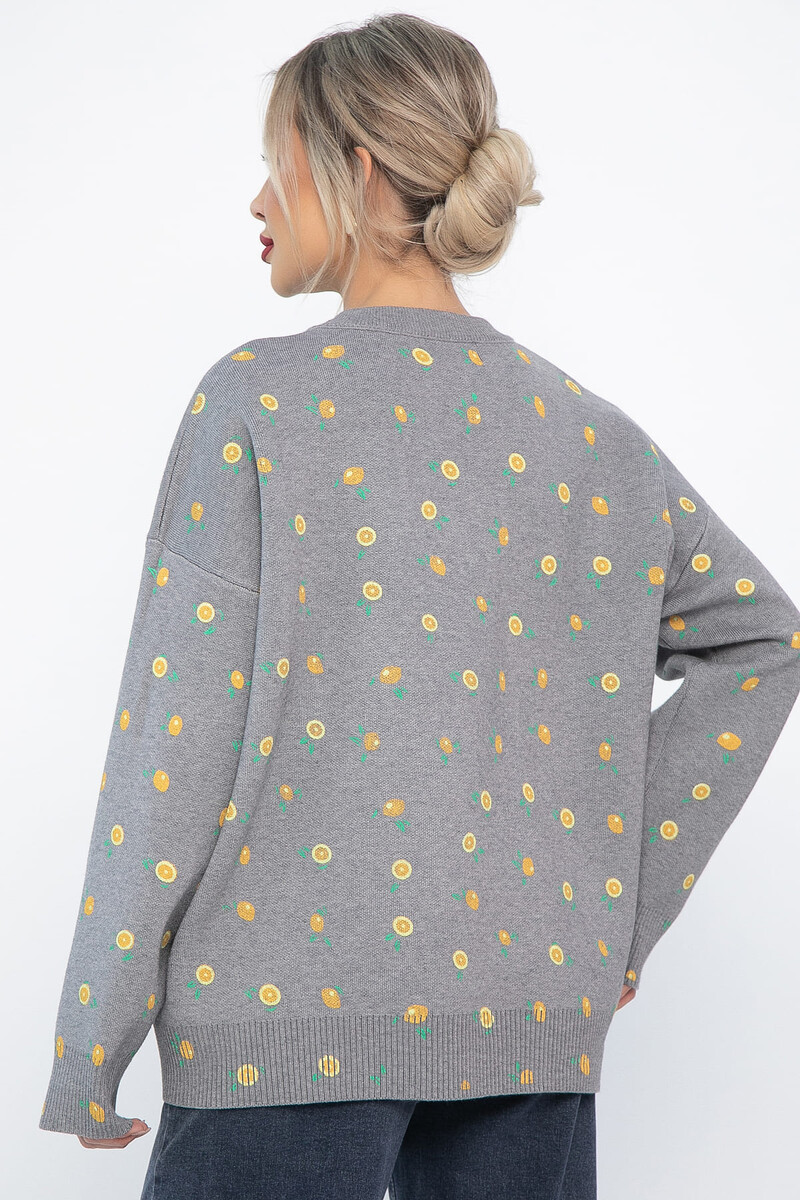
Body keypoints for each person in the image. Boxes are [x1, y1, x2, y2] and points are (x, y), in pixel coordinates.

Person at [38, 12, 800, 1200]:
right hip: (531, 1023)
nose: (256, 200)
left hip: (278, 1031)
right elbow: (763, 640)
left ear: (352, 170)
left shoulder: (255, 406)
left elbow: (171, 743)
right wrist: (612, 911)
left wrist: (93, 1033)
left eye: (276, 162)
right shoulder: (590, 438)